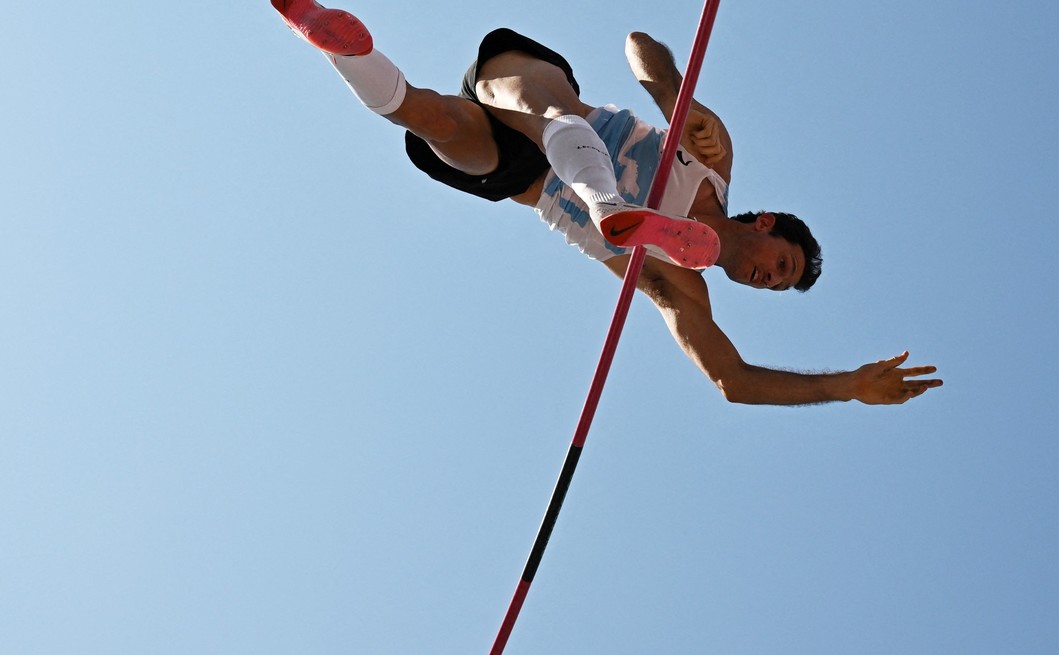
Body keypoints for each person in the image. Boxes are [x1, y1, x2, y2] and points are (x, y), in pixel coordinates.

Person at [270, 0, 943, 406]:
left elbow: (732, 381)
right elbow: (638, 45)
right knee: (556, 109)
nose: (769, 277)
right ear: (765, 223)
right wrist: (675, 91)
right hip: (537, 96)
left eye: (774, 284)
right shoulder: (713, 157)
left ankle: (336, 39)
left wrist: (847, 384)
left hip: (520, 174)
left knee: (431, 120)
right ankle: (606, 202)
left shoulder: (684, 289)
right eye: (782, 263)